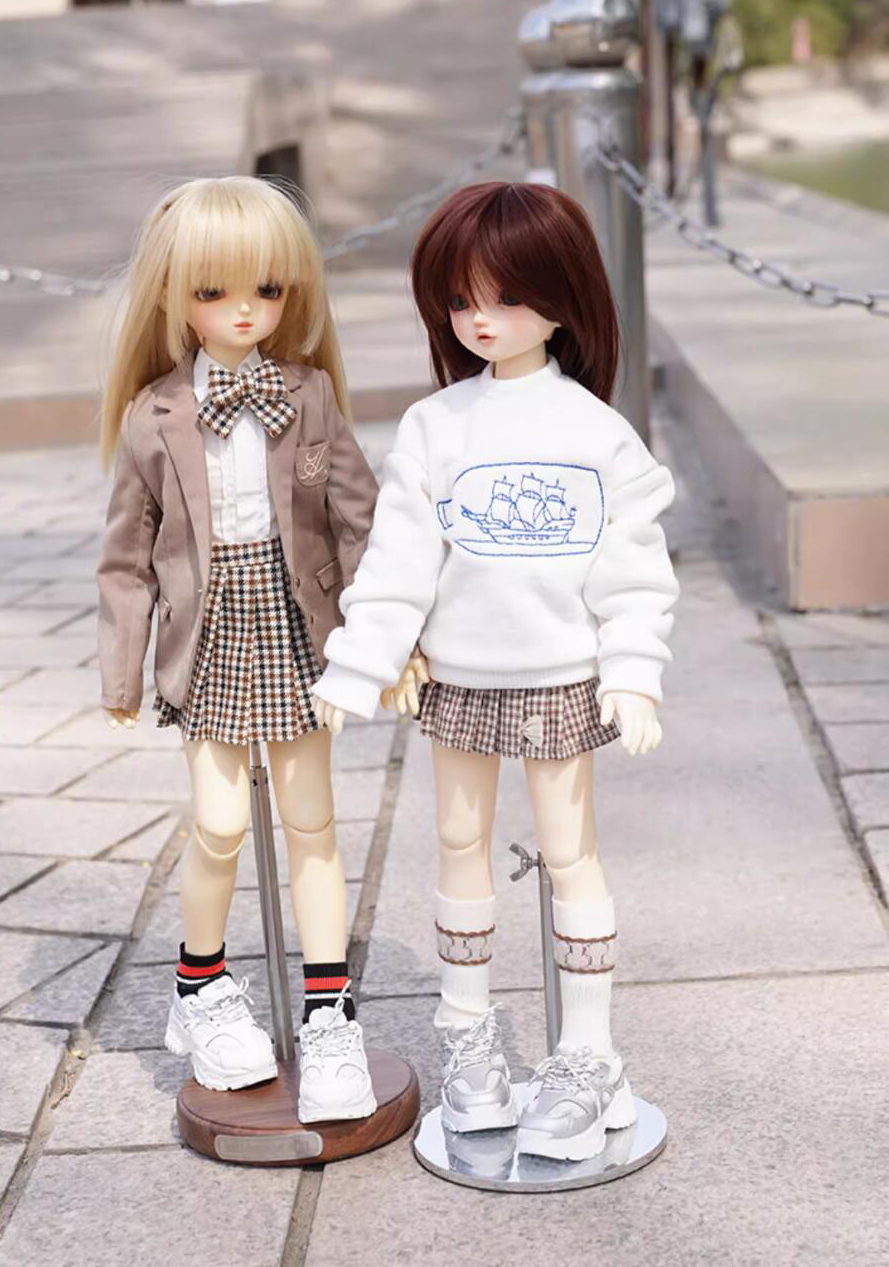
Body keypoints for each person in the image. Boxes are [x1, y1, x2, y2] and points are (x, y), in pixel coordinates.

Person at [311, 181, 680, 1161]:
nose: (480, 319)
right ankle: (467, 1035)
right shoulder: (437, 425)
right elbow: (399, 559)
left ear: (562, 301)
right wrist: (360, 661)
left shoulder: (594, 430)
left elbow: (633, 567)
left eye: (507, 297)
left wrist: (633, 668)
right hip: (461, 680)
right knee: (458, 839)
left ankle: (589, 1052)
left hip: (563, 676)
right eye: (460, 299)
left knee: (568, 851)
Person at [96, 176, 380, 1124]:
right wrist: (122, 669)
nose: (245, 310)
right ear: (174, 297)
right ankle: (200, 986)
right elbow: (126, 557)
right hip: (210, 632)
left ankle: (329, 1009)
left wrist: (387, 637)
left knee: (313, 822)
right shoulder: (153, 416)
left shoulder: (310, 394)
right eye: (214, 292)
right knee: (217, 824)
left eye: (267, 288)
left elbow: (359, 521)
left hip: (298, 626)